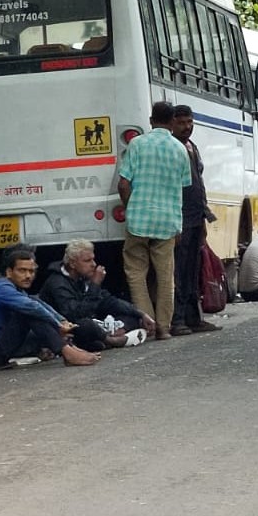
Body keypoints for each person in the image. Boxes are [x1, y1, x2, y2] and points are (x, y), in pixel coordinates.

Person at [117, 100, 192, 342]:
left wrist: (131, 208)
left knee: (136, 272)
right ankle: (163, 328)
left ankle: (146, 324)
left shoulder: (137, 144)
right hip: (167, 222)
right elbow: (183, 189)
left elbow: (123, 183)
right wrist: (179, 224)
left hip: (138, 221)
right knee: (165, 276)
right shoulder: (180, 149)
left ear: (150, 121)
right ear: (172, 122)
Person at [0, 246, 101, 367]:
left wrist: (62, 321)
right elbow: (33, 308)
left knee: (35, 309)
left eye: (31, 271)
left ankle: (70, 348)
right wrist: (58, 325)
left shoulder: (14, 288)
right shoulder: (2, 288)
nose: (28, 276)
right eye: (22, 271)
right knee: (28, 313)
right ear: (9, 272)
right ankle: (68, 353)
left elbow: (37, 302)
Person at [39, 238, 156, 347]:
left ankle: (108, 335)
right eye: (87, 261)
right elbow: (75, 315)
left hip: (91, 322)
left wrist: (140, 314)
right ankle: (112, 340)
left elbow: (108, 301)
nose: (93, 264)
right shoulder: (57, 283)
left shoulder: (81, 277)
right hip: (66, 329)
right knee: (86, 325)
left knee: (131, 315)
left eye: (93, 259)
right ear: (73, 264)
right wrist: (94, 285)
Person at [169, 105, 220, 336]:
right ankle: (178, 320)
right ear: (172, 123)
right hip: (180, 219)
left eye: (190, 122)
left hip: (196, 217)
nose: (187, 127)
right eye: (182, 123)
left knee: (193, 269)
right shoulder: (173, 148)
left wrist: (203, 218)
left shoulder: (192, 147)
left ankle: (193, 317)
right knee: (179, 271)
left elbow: (199, 183)